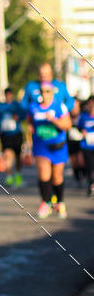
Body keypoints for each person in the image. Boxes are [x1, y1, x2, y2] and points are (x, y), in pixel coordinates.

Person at [26, 80, 71, 218]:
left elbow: (67, 125)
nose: (44, 94)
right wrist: (30, 127)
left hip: (57, 146)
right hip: (41, 146)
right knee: (44, 175)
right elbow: (29, 120)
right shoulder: (33, 106)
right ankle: (46, 202)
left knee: (57, 177)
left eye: (47, 91)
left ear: (52, 93)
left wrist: (54, 120)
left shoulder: (59, 106)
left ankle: (60, 202)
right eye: (42, 91)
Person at [0, 87, 25, 187]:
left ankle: (18, 175)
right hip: (6, 134)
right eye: (7, 94)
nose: (8, 96)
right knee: (7, 154)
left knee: (18, 156)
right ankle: (9, 177)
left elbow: (23, 116)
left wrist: (18, 117)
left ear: (12, 95)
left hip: (16, 134)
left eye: (10, 94)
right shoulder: (0, 106)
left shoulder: (17, 105)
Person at [77, 96, 94, 196]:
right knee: (89, 166)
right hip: (87, 146)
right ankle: (90, 183)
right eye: (90, 104)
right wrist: (82, 131)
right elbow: (79, 127)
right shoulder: (84, 116)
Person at [68, 101, 87, 187]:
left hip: (80, 141)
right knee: (74, 162)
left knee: (81, 161)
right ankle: (77, 178)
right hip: (71, 141)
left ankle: (84, 176)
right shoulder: (67, 116)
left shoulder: (82, 116)